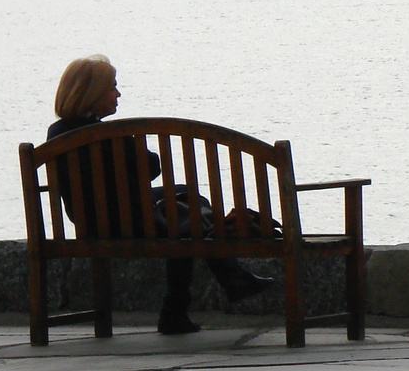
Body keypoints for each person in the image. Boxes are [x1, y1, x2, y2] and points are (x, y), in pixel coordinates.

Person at [48, 55, 272, 335]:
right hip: (132, 225)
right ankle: (183, 306)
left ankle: (225, 281)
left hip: (92, 224)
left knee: (184, 195)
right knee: (188, 225)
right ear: (91, 94)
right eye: (112, 87)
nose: (118, 93)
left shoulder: (56, 134)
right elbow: (152, 167)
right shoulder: (111, 134)